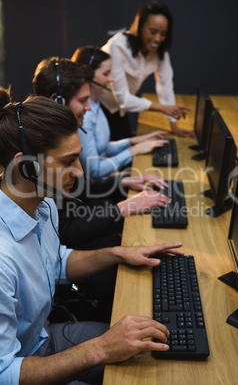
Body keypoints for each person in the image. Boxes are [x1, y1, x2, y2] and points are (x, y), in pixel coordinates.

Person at [0, 87, 184, 384]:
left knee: (155, 353)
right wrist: (100, 349)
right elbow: (4, 373)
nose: (81, 172)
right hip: (23, 366)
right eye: (68, 161)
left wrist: (117, 254)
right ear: (26, 167)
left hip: (43, 337)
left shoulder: (43, 204)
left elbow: (55, 262)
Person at [32, 56, 172, 251]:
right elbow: (64, 233)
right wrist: (122, 209)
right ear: (58, 101)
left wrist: (122, 183)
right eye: (83, 101)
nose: (89, 108)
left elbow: (79, 190)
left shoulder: (59, 136)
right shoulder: (40, 147)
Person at [100, 0, 195, 140]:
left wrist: (174, 126)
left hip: (119, 109)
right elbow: (123, 99)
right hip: (97, 105)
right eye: (153, 32)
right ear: (140, 27)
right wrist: (162, 108)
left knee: (127, 146)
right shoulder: (118, 46)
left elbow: (166, 87)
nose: (158, 38)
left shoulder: (160, 53)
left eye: (163, 33)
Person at [71, 45, 169, 180]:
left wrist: (133, 141)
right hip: (99, 187)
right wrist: (133, 150)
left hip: (105, 178)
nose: (111, 79)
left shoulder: (95, 104)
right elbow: (95, 171)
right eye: (106, 74)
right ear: (89, 76)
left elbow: (102, 148)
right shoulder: (84, 115)